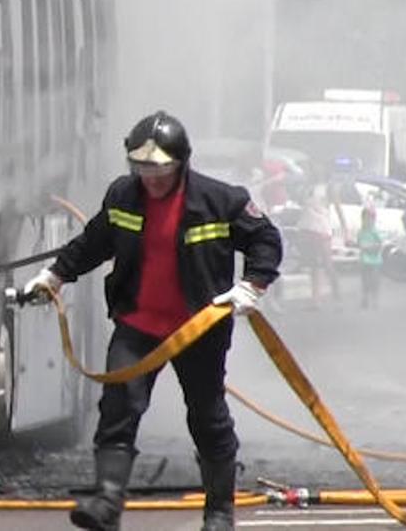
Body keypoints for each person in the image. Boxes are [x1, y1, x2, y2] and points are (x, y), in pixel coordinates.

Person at [22, 110, 283, 531]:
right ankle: (107, 501)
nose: (152, 177)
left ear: (182, 163)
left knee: (207, 414)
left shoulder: (221, 200)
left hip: (197, 328)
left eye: (161, 168)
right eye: (142, 167)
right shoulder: (123, 196)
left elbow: (265, 239)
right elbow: (93, 243)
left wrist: (252, 285)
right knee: (118, 408)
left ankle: (219, 513)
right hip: (138, 326)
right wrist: (53, 276)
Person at [357, 192, 384, 309]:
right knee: (365, 281)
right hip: (364, 260)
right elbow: (359, 243)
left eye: (370, 219)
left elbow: (380, 244)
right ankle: (365, 298)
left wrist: (371, 247)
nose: (367, 221)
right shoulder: (361, 232)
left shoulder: (374, 232)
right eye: (365, 219)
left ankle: (375, 300)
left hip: (375, 260)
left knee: (374, 281)